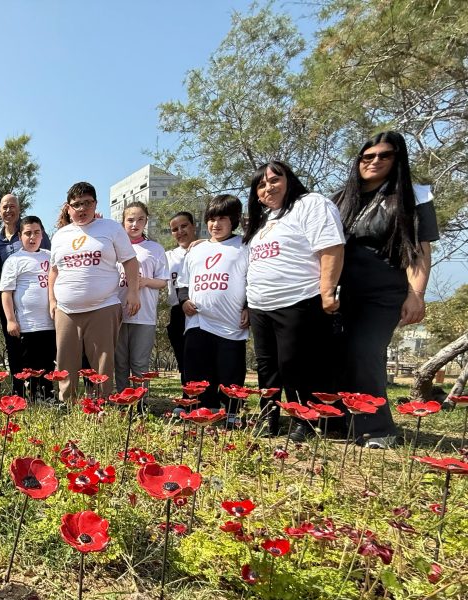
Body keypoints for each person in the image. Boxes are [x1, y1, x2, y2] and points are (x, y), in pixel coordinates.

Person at [333, 131, 438, 448]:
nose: (375, 161)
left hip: (383, 293)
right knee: (338, 355)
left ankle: (378, 429)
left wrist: (416, 294)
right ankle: (343, 421)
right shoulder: (339, 200)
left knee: (365, 351)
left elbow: (418, 251)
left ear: (398, 159)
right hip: (339, 293)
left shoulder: (413, 197)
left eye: (384, 155)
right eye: (368, 156)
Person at [243, 160, 345, 440]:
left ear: (289, 179)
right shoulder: (264, 219)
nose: (268, 188)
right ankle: (269, 418)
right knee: (267, 366)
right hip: (260, 305)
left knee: (295, 364)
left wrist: (328, 290)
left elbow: (331, 246)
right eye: (261, 185)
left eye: (274, 180)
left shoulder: (311, 204)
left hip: (299, 299)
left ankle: (307, 420)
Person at [48, 182, 139, 400]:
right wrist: (52, 300)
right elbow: (53, 271)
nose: (81, 209)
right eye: (76, 204)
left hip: (103, 307)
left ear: (95, 204)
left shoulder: (111, 228)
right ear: (68, 208)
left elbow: (130, 261)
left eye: (86, 203)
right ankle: (66, 404)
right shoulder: (60, 235)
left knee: (102, 363)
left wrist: (133, 293)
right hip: (66, 311)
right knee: (65, 362)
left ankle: (101, 405)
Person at [177, 195, 250, 414]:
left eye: (222, 219)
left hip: (231, 323)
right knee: (196, 369)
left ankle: (231, 412)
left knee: (231, 371)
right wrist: (184, 301)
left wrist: (248, 306)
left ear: (234, 220)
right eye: (211, 219)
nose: (215, 224)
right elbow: (183, 282)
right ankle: (199, 407)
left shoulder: (244, 246)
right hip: (198, 321)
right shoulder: (196, 249)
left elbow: (253, 280)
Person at [0, 193, 51, 393]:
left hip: (49, 320)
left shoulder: (48, 254)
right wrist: (10, 319)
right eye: (28, 233)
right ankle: (22, 395)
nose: (32, 237)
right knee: (21, 359)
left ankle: (46, 396)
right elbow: (4, 290)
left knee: (46, 363)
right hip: (22, 319)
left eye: (36, 233)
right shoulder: (1, 247)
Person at [115, 202, 168, 389]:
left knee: (139, 364)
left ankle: (140, 406)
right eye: (130, 220)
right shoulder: (113, 247)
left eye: (140, 219)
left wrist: (143, 282)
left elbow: (162, 281)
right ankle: (123, 403)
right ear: (122, 222)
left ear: (146, 221)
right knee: (120, 363)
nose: (134, 224)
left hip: (144, 315)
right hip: (118, 313)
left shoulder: (155, 249)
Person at [166, 211, 197, 382]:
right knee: (184, 359)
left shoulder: (207, 249)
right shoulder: (168, 256)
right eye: (174, 229)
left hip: (202, 310)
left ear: (194, 225)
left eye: (184, 226)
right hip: (178, 311)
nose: (180, 232)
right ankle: (188, 397)